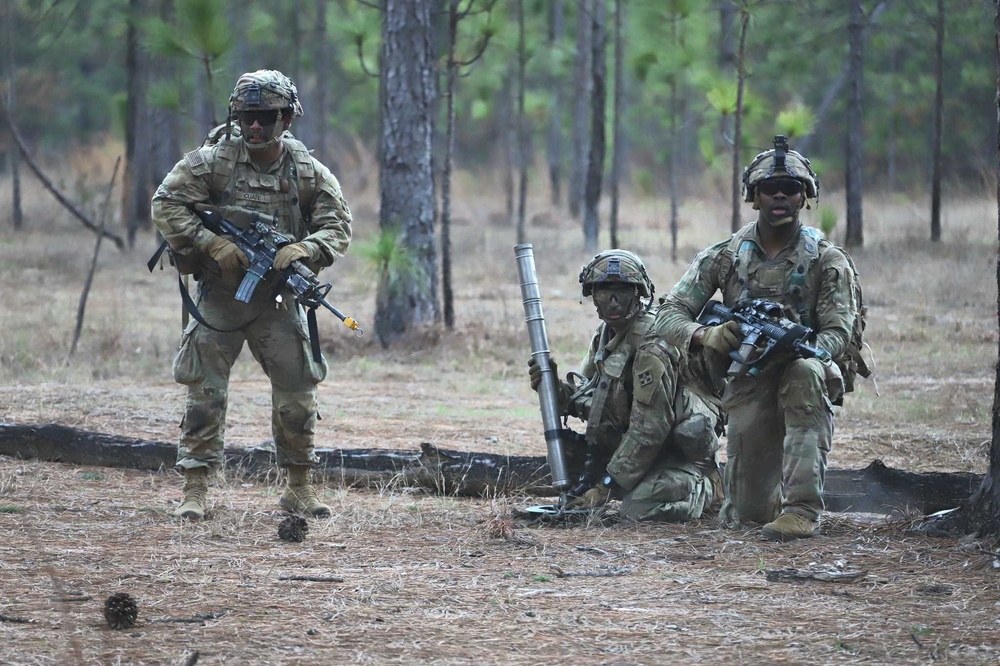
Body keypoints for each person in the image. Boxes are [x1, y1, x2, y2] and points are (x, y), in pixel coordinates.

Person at [151, 69, 353, 520]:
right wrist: (212, 243)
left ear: (285, 118)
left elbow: (338, 226)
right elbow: (165, 202)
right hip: (221, 297)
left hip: (277, 300)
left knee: (298, 392)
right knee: (205, 392)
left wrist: (306, 248)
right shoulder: (213, 161)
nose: (255, 126)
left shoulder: (305, 171)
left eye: (265, 117)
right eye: (247, 117)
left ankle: (298, 488)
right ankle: (195, 489)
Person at [654, 136, 856, 541]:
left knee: (805, 374)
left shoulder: (826, 259)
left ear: (805, 197)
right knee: (748, 513)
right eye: (769, 188)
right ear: (754, 196)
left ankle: (802, 509)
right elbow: (668, 314)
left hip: (803, 370)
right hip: (748, 376)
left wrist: (809, 350)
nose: (779, 195)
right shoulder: (727, 255)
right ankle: (745, 492)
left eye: (791, 188)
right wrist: (707, 335)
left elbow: (839, 330)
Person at [528, 250, 724, 522]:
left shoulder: (652, 346)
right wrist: (554, 390)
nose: (613, 302)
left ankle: (710, 489)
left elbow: (651, 428)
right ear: (592, 296)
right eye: (603, 292)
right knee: (565, 452)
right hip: (630, 448)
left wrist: (605, 489)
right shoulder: (606, 336)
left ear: (639, 294)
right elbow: (593, 401)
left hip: (673, 457)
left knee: (637, 510)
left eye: (622, 292)